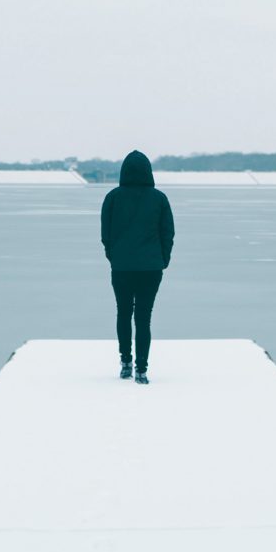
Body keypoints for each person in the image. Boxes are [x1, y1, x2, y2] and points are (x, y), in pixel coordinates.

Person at [100, 149, 174, 382]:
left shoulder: (113, 197)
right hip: (151, 268)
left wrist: (113, 257)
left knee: (123, 313)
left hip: (122, 267)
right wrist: (162, 260)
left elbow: (106, 234)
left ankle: (126, 363)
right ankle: (141, 369)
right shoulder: (159, 199)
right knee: (143, 318)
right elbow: (168, 233)